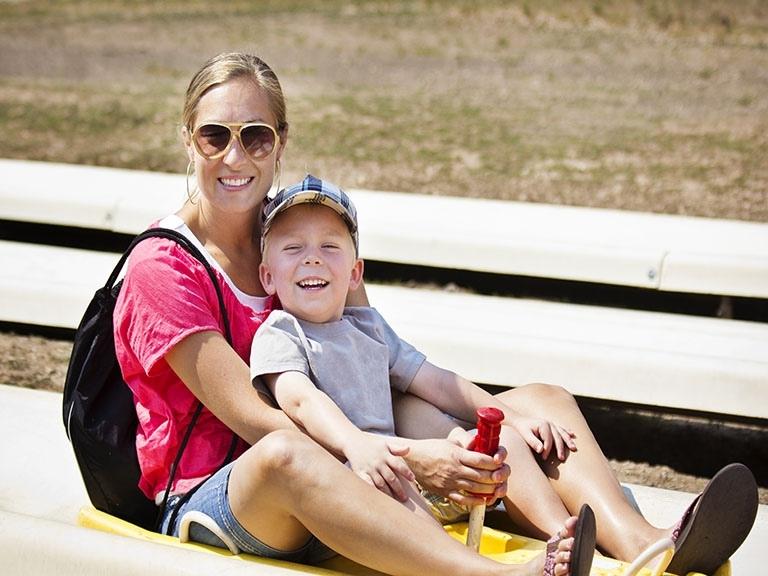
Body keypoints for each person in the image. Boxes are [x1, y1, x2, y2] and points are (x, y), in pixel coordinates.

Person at [112, 50, 595, 576]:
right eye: (214, 136)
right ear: (188, 139)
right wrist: (414, 458)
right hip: (226, 495)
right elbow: (258, 425)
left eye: (255, 136)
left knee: (542, 401)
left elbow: (372, 353)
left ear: (280, 142)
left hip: (345, 458)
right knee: (286, 456)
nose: (235, 156)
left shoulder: (294, 235)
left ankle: (647, 545)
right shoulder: (163, 266)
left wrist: (501, 421)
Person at [251, 175, 760, 576]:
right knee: (418, 535)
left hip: (412, 473)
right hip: (362, 480)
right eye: (293, 248)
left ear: (356, 273)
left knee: (501, 446)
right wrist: (358, 444)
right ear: (268, 275)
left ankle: (581, 541)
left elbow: (435, 379)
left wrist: (511, 415)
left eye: (329, 247)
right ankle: (522, 567)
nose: (312, 256)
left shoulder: (368, 326)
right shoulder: (281, 331)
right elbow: (297, 400)